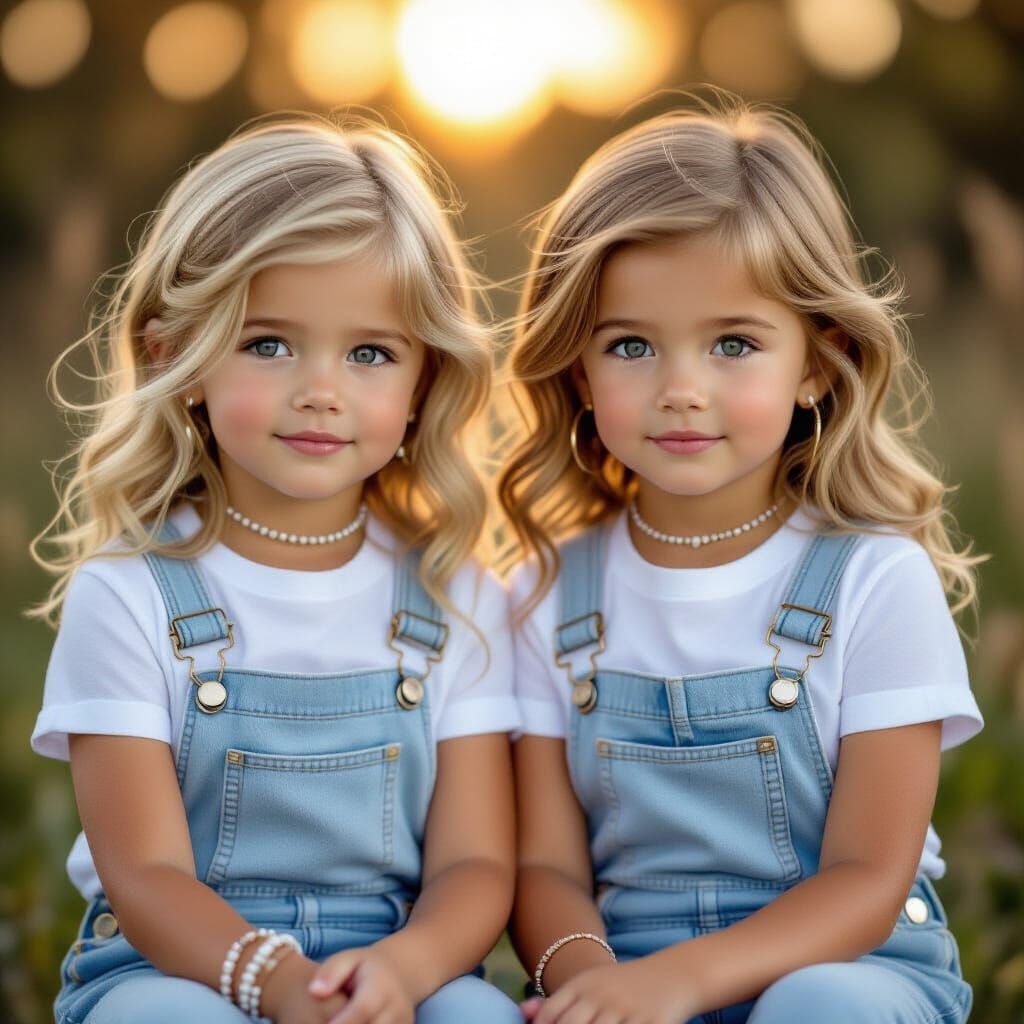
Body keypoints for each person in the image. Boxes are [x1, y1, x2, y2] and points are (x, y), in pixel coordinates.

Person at [500, 99, 984, 1024]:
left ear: (817, 361)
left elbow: (868, 876)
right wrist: (593, 982)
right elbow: (547, 867)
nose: (682, 388)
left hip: (856, 968)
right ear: (577, 372)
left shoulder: (873, 580)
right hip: (626, 976)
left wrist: (679, 983)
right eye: (631, 345)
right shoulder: (544, 593)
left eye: (734, 344)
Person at [30, 114, 521, 1024]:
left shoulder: (458, 599)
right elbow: (144, 875)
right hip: (172, 967)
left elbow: (475, 866)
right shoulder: (130, 593)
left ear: (424, 386)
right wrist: (279, 986)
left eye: (370, 353)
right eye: (268, 343)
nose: (321, 389)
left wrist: (402, 974)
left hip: (392, 963)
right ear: (173, 355)